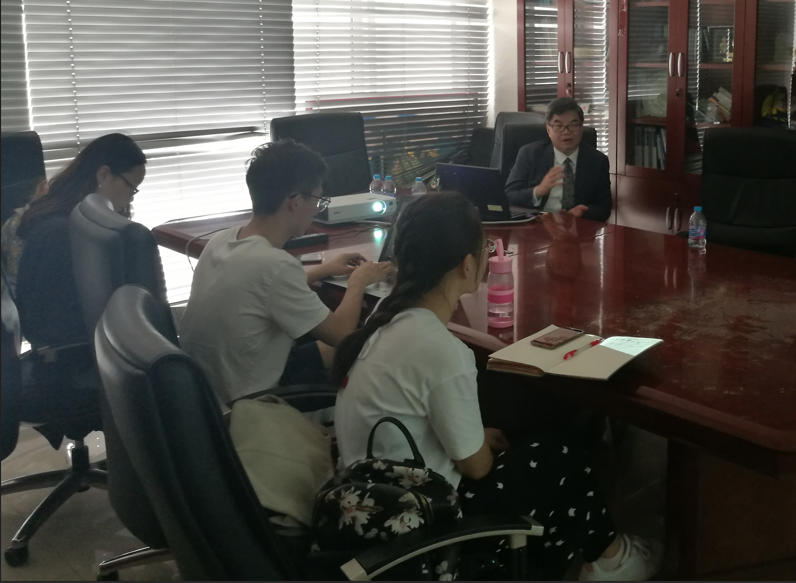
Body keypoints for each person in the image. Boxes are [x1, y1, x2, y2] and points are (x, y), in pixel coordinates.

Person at [331, 193, 659, 580]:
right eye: (485, 249)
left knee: (531, 442)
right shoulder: (441, 349)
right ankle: (610, 561)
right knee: (563, 456)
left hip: (369, 498)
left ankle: (605, 555)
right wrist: (478, 446)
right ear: (467, 264)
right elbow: (476, 468)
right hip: (422, 520)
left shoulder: (385, 320)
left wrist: (475, 436)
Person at [179, 139, 393, 406]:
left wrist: (322, 271)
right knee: (364, 344)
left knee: (329, 349)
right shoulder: (275, 265)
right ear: (295, 202)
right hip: (251, 403)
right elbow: (340, 333)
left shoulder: (221, 241)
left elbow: (258, 290)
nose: (317, 209)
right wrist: (358, 282)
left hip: (210, 393)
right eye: (318, 200)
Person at [16, 133, 147, 348]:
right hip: (75, 357)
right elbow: (57, 324)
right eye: (131, 187)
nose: (131, 198)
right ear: (103, 175)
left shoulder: (68, 220)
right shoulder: (62, 233)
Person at [505, 97, 612, 222]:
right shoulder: (530, 154)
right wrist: (538, 191)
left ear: (581, 127)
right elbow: (508, 196)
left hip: (577, 227)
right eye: (558, 126)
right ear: (548, 129)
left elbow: (604, 208)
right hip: (537, 226)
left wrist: (582, 212)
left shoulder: (597, 161)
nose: (566, 132)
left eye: (573, 125)